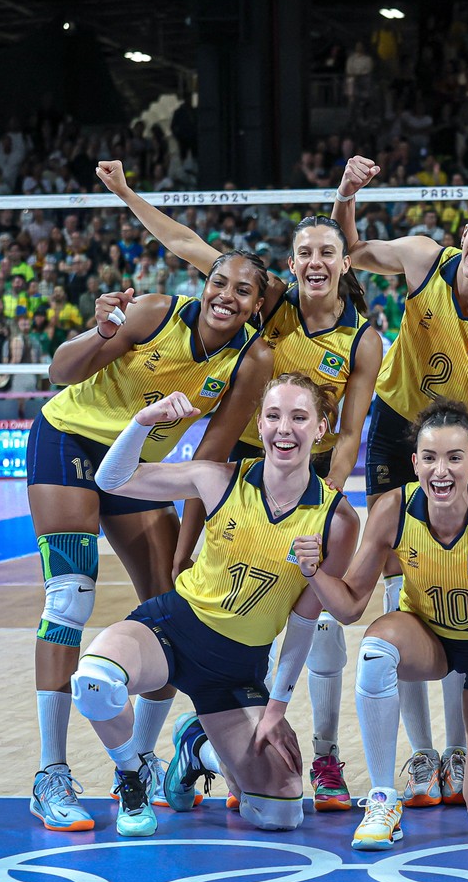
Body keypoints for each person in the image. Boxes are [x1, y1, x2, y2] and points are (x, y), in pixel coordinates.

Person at [98, 160, 382, 812]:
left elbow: (350, 437)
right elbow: (189, 245)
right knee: (193, 610)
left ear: (344, 263)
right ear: (291, 262)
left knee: (322, 627)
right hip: (235, 487)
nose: (315, 261)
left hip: (303, 487)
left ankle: (326, 754)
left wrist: (325, 509)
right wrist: (125, 192)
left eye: (327, 252)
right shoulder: (272, 306)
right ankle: (154, 759)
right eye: (304, 252)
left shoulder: (363, 340)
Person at [25, 252, 273, 831]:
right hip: (69, 441)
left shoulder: (252, 360)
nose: (226, 296)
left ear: (257, 306)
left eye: (242, 290)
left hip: (137, 468)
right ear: (203, 285)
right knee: (68, 600)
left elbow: (208, 462)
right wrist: (101, 332)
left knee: (170, 611)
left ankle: (136, 764)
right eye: (218, 282)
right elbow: (62, 370)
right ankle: (51, 774)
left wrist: (189, 546)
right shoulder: (155, 313)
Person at [333, 155, 468, 810]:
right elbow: (355, 252)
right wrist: (348, 194)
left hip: (460, 440)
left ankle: (461, 745)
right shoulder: (425, 257)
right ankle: (421, 753)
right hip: (399, 431)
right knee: (405, 585)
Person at [71, 376, 359, 836]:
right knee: (95, 682)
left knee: (280, 812)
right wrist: (143, 423)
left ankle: (196, 747)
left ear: (322, 427)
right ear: (259, 423)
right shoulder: (216, 477)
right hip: (171, 629)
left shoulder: (337, 520)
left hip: (238, 667)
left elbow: (305, 621)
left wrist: (277, 707)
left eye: (300, 417)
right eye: (274, 416)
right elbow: (113, 479)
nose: (285, 428)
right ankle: (133, 777)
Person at [305, 400, 468, 849]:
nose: (441, 471)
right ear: (414, 463)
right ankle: (382, 799)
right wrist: (315, 573)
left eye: (454, 458)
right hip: (428, 638)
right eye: (430, 458)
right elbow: (351, 606)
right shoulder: (393, 509)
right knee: (374, 652)